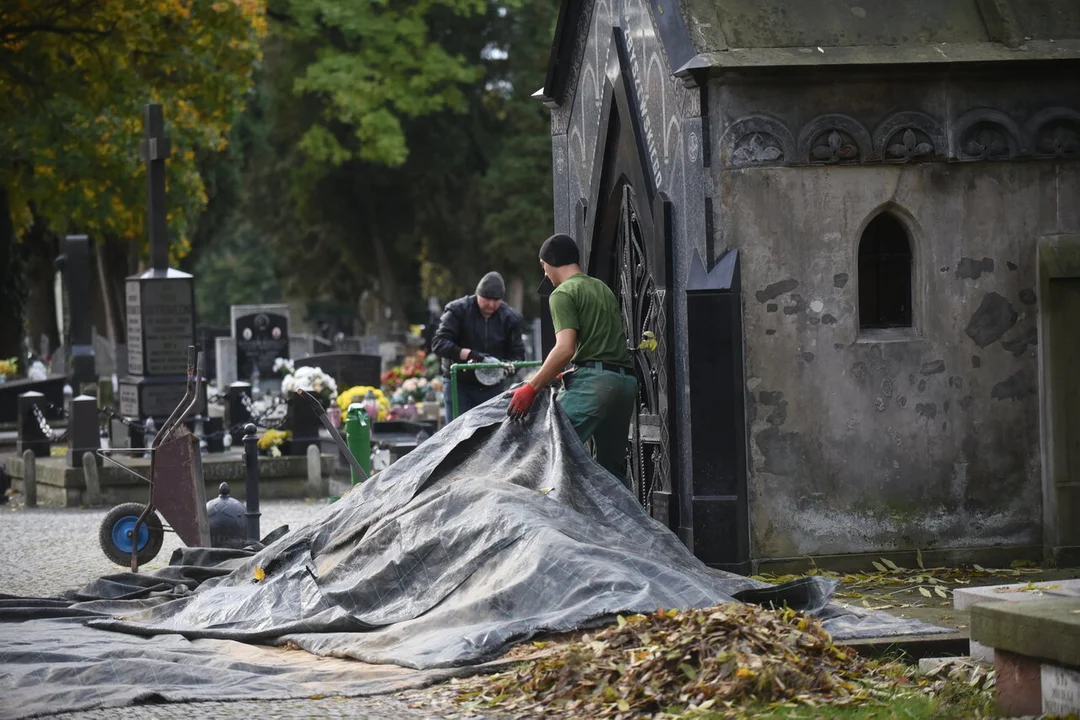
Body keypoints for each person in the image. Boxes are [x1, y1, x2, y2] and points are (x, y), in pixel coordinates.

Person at [506, 234, 638, 487]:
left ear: (551, 262)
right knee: (611, 474)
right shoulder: (602, 288)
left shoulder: (563, 293)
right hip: (624, 384)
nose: (545, 275)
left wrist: (531, 387)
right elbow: (600, 345)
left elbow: (565, 348)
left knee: (545, 448)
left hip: (595, 385)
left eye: (543, 267)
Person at [431, 271, 526, 422]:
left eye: (497, 300)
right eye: (487, 299)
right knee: (457, 434)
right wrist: (469, 354)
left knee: (490, 435)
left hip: (493, 386)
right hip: (459, 383)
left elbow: (518, 354)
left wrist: (508, 368)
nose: (491, 304)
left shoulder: (510, 318)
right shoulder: (457, 310)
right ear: (477, 295)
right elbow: (439, 343)